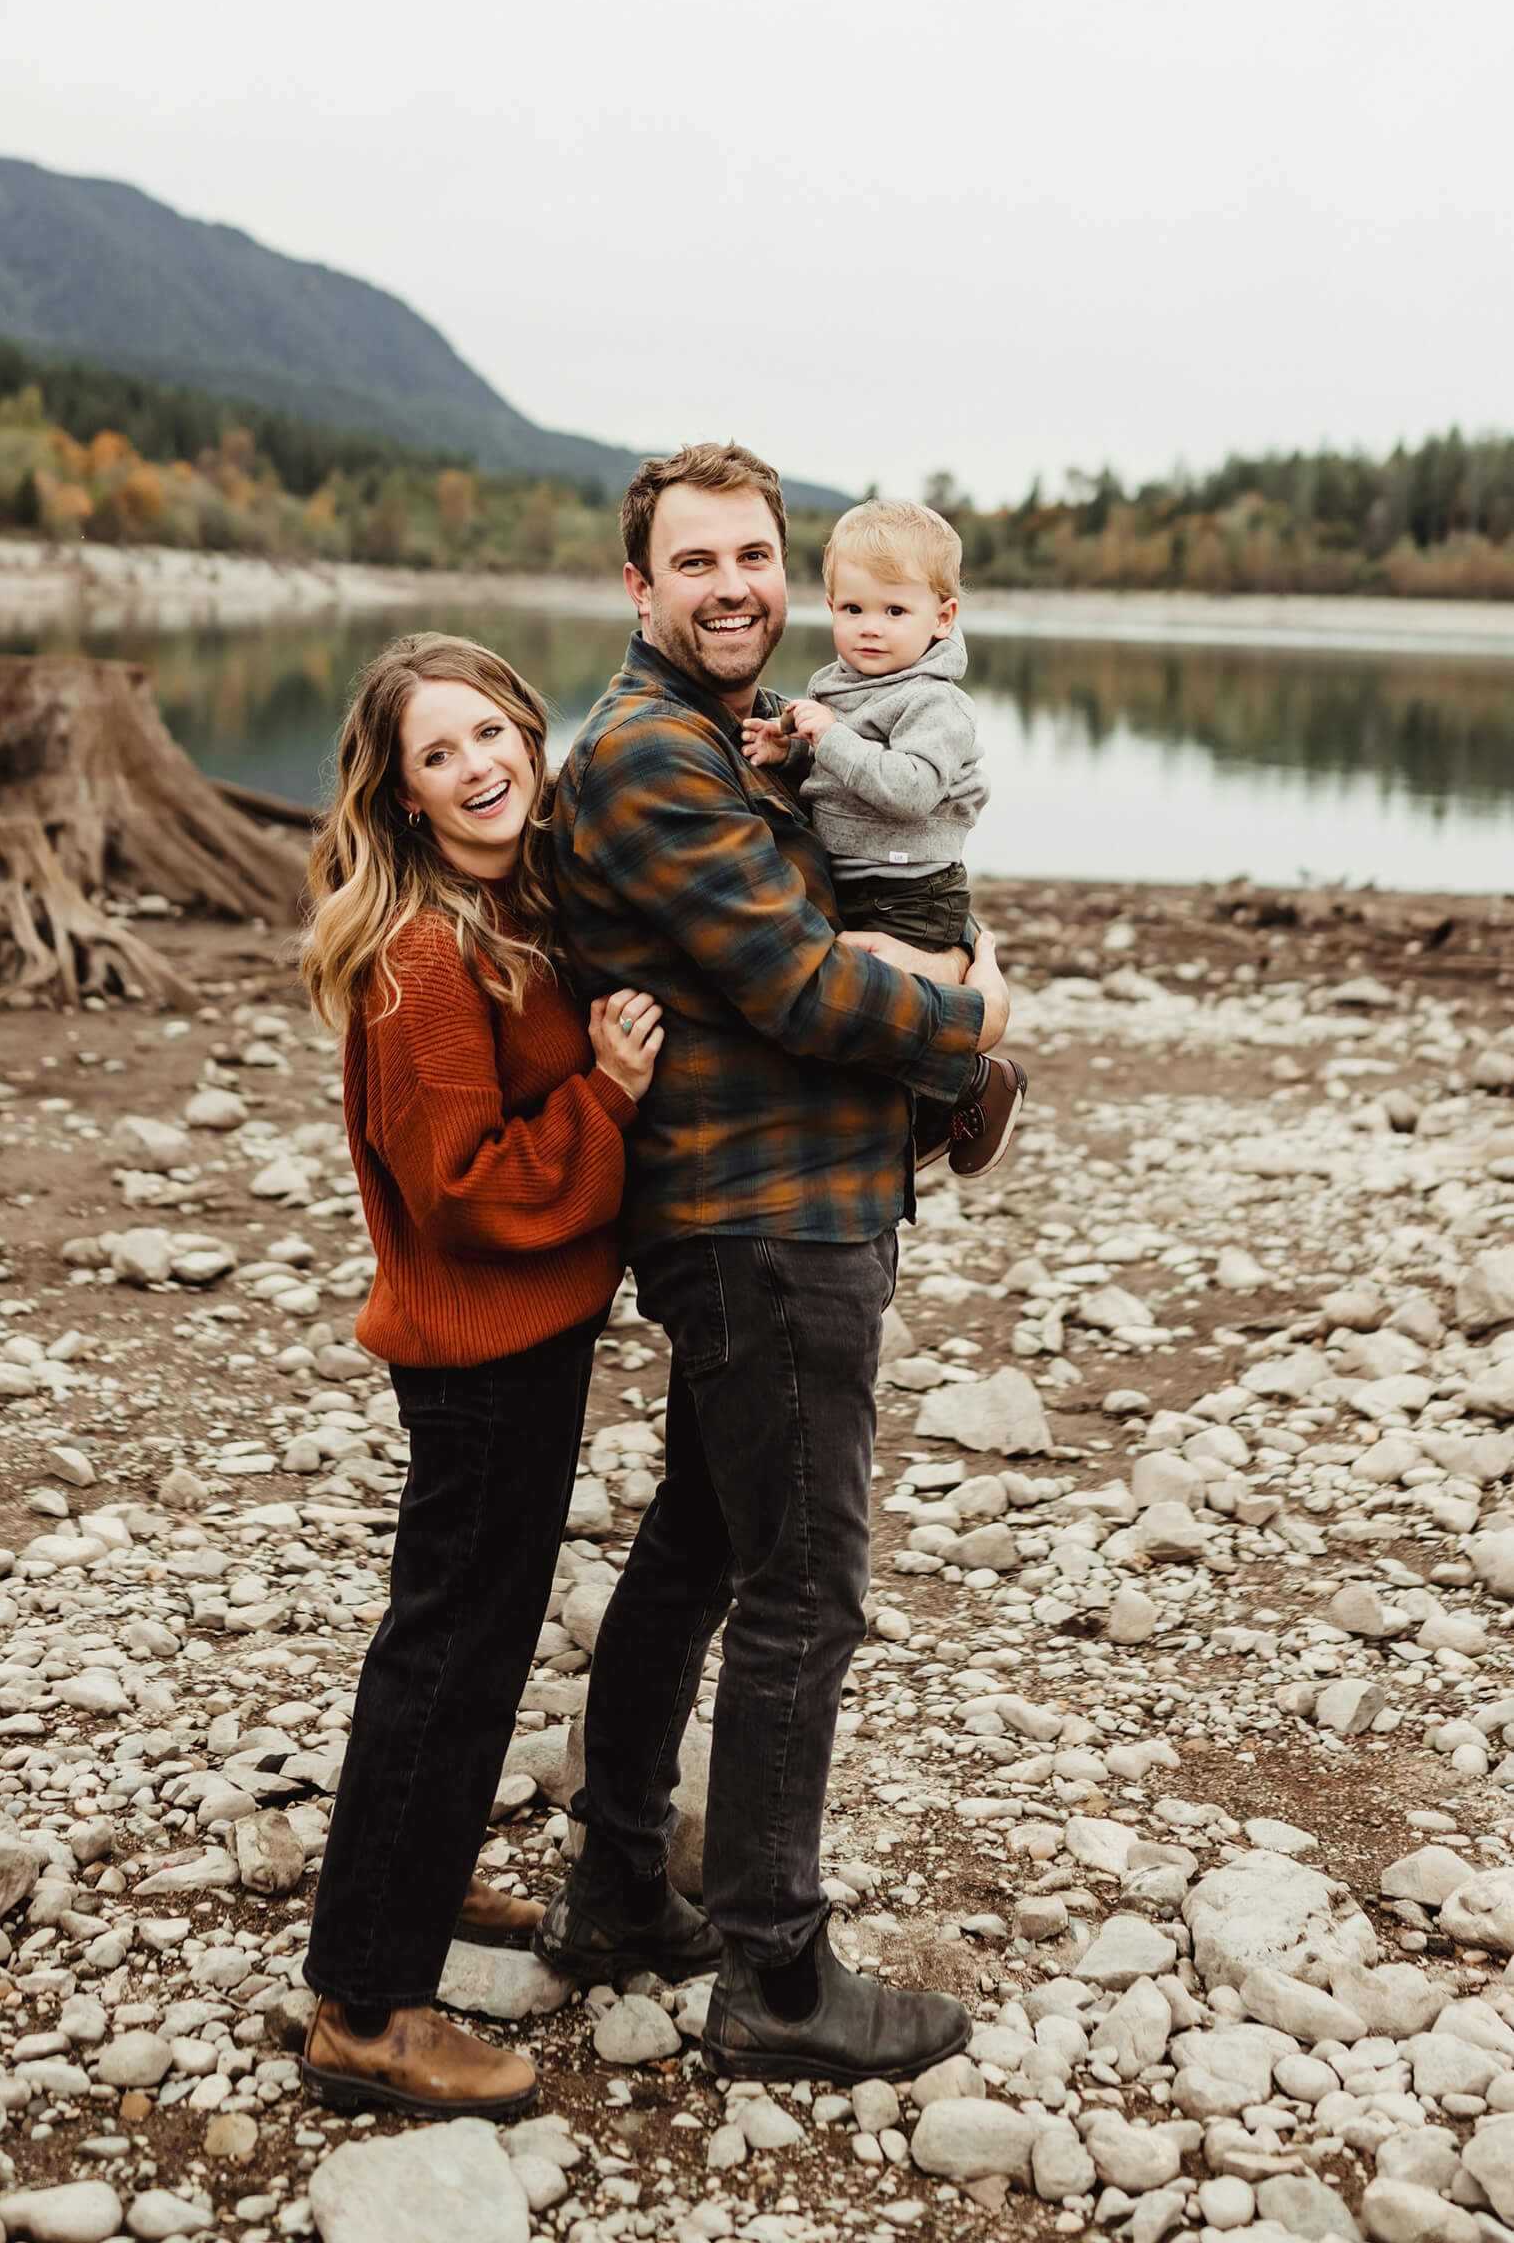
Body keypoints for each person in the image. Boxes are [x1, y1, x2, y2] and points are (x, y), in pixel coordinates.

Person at [540, 443, 1012, 2083]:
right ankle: (778, 1979)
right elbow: (801, 984)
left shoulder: (726, 738)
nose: (738, 586)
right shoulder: (648, 759)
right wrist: (962, 1024)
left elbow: (823, 926)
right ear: (641, 585)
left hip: (781, 1206)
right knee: (804, 1589)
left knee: (693, 1549)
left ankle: (615, 1891)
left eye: (757, 555)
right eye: (700, 562)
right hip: (767, 1223)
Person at [295, 631, 680, 2121]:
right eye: (436, 755)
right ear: (399, 797)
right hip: (478, 1353)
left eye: (490, 734)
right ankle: (365, 2010)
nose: (476, 767)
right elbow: (466, 1187)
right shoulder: (419, 959)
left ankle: (413, 1882)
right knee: (448, 1650)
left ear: (532, 731)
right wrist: (611, 1093)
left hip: (523, 1337)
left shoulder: (504, 907)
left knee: (474, 1636)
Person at [742, 494, 1027, 1177]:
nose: (869, 629)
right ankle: (928, 1114)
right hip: (861, 875)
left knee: (857, 994)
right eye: (852, 610)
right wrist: (793, 754)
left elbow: (905, 791)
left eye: (894, 612)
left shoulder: (934, 702)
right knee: (852, 1003)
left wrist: (829, 739)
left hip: (910, 887)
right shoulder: (842, 686)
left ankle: (975, 1086)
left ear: (942, 617)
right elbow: (843, 777)